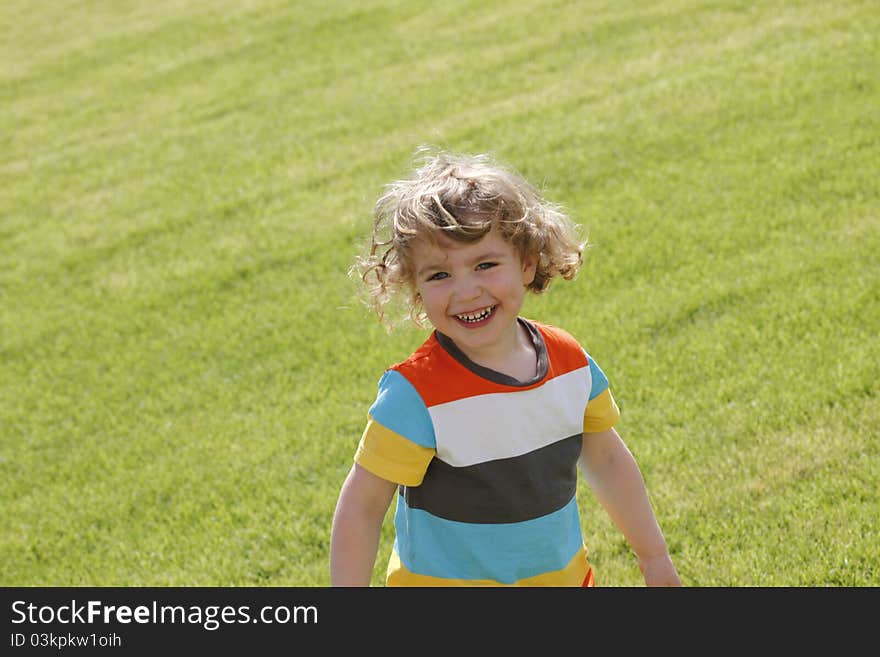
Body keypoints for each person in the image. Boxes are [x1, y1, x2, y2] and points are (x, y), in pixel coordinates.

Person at [330, 149, 681, 587]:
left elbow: (608, 461)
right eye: (439, 275)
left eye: (485, 265)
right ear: (414, 286)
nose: (466, 291)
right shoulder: (416, 392)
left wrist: (654, 557)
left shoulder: (568, 363)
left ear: (527, 262)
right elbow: (363, 506)